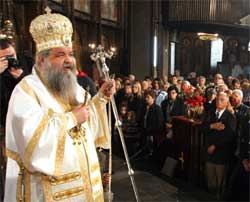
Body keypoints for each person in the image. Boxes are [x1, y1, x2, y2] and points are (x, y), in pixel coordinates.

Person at [4, 8, 115, 202]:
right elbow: (33, 146)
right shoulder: (27, 91)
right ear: (41, 59)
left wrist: (100, 99)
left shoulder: (71, 87)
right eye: (60, 54)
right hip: (48, 192)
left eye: (71, 54)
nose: (69, 60)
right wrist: (72, 118)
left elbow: (87, 122)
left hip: (86, 190)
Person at [201, 92, 236, 200]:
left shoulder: (230, 117)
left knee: (220, 183)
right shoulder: (210, 113)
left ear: (227, 102)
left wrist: (215, 146)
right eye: (217, 99)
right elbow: (202, 128)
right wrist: (213, 125)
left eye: (222, 100)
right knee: (210, 181)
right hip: (209, 153)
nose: (219, 102)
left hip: (221, 154)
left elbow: (229, 136)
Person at [0, 38, 27, 129]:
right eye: (4, 58)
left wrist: (22, 77)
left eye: (12, 56)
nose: (10, 60)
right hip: (5, 114)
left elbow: (38, 87)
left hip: (27, 110)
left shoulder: (27, 61)